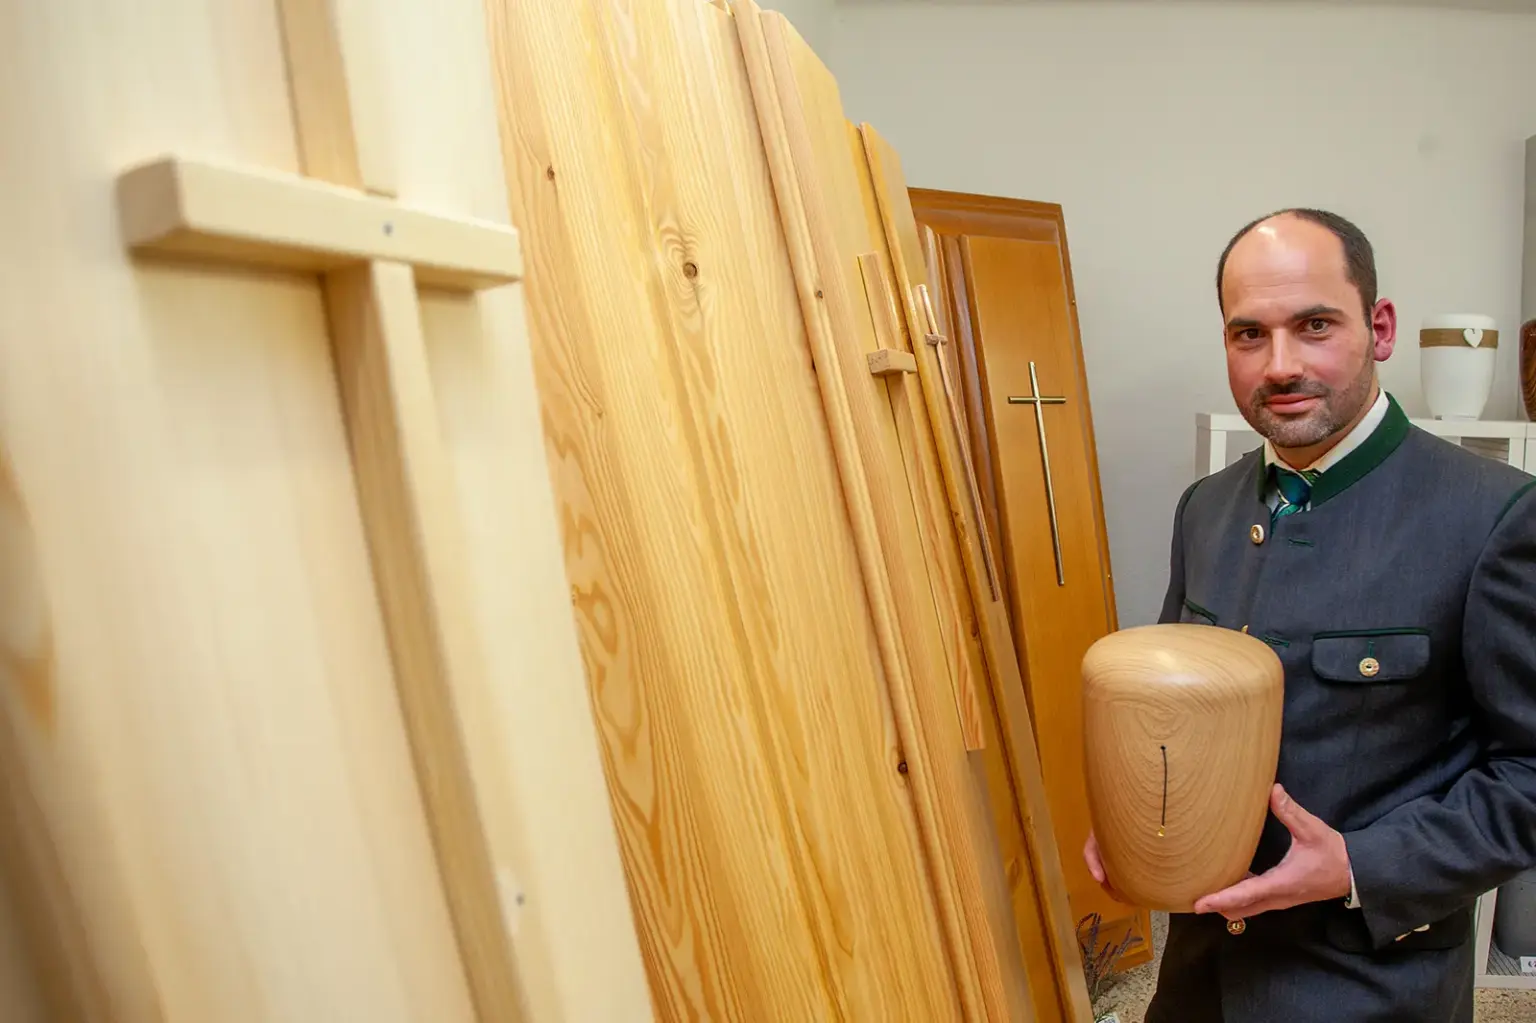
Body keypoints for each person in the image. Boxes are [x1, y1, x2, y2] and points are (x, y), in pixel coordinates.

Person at [1083, 208, 1536, 1021]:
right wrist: (1134, 823)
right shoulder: (1205, 508)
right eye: (1248, 334)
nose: (1280, 364)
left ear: (1381, 326)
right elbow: (1175, 717)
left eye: (1315, 325)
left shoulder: (1494, 517)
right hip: (1194, 981)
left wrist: (1359, 863)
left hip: (1369, 987)